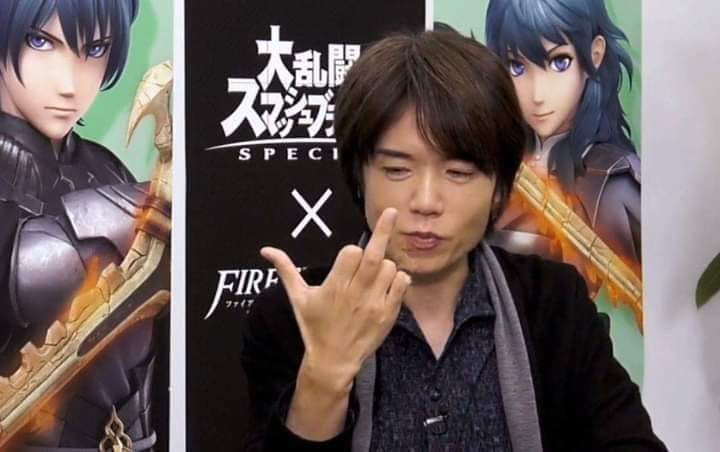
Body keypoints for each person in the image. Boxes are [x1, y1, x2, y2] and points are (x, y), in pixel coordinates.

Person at [241, 30, 666, 451]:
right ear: (359, 177)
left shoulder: (555, 304)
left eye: (459, 173)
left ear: (499, 188)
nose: (426, 202)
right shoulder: (293, 318)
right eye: (397, 170)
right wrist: (325, 374)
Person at [0, 1, 164, 450]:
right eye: (41, 42)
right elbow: (32, 272)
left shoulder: (106, 168)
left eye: (94, 49)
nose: (70, 84)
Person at [484, 0, 641, 297]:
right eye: (516, 66)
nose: (537, 94)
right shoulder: (492, 164)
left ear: (594, 54)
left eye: (559, 62)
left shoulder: (612, 180)